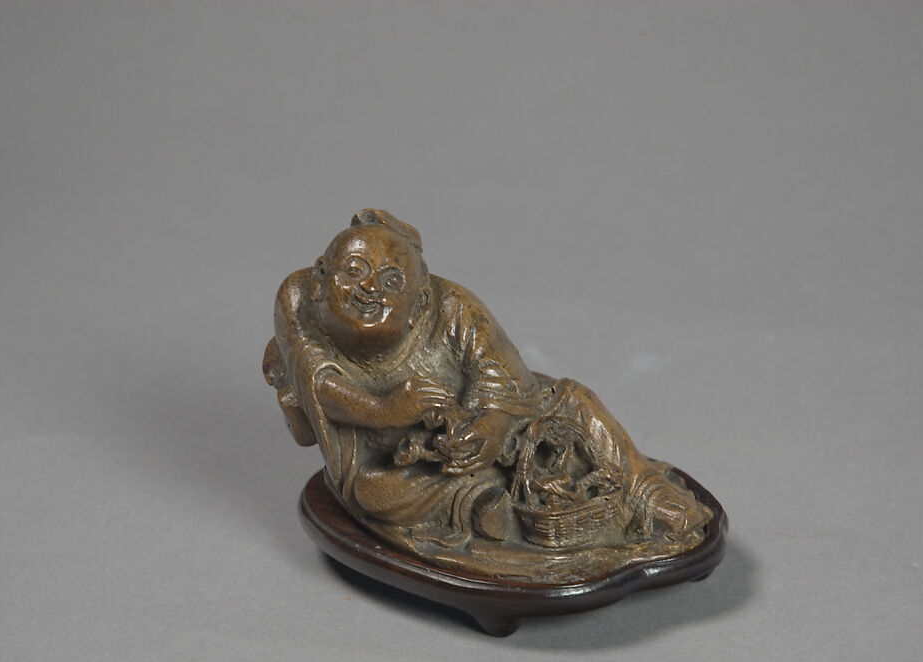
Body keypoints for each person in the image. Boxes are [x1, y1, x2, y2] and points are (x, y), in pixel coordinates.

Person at [265, 210, 710, 579]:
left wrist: (492, 427)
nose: (368, 288)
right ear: (322, 278)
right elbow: (317, 384)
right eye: (355, 271)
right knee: (371, 494)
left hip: (485, 424)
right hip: (384, 453)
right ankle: (479, 502)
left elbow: (503, 376)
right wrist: (384, 410)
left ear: (420, 306)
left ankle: (646, 492)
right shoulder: (298, 299)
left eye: (392, 282)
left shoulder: (456, 307)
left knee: (575, 399)